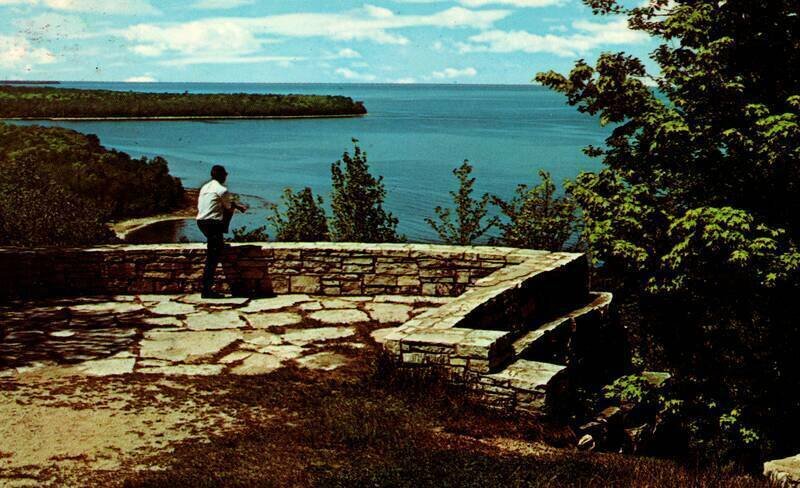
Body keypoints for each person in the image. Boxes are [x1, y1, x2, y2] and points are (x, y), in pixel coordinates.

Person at [196, 165, 247, 298]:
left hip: (201, 222)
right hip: (213, 224)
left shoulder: (204, 187)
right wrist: (239, 207)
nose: (226, 176)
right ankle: (206, 290)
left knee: (214, 248)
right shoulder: (222, 190)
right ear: (221, 175)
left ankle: (219, 241)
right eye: (225, 174)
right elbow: (228, 206)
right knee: (212, 258)